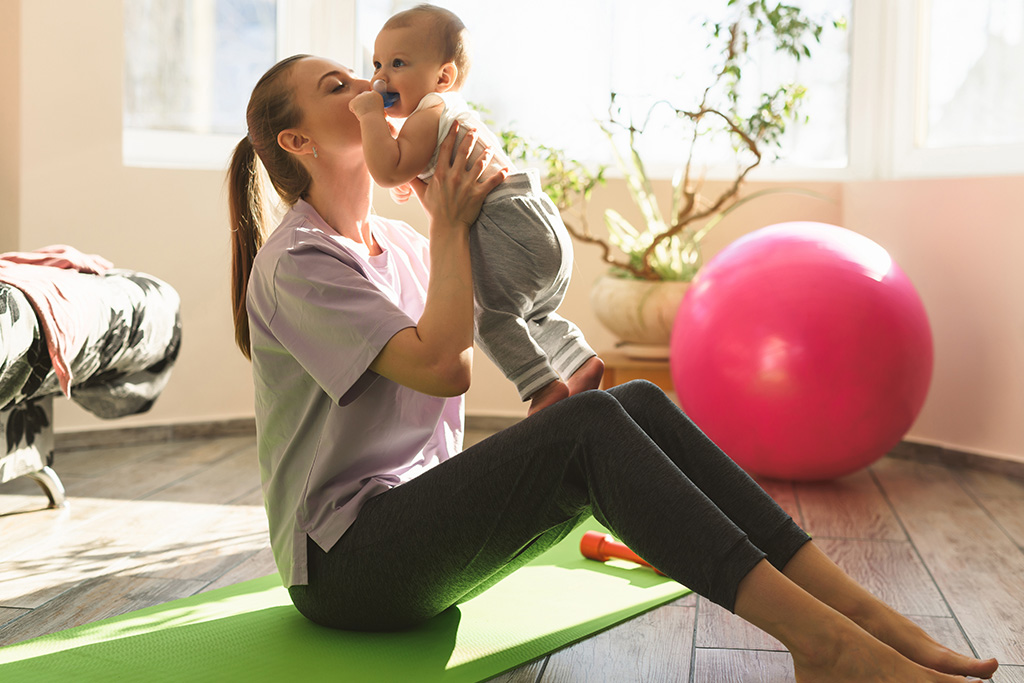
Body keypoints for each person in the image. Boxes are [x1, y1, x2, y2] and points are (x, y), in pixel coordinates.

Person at [226, 53, 998, 683]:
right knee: (591, 425)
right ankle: (824, 646)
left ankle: (861, 616)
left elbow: (504, 308)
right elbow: (441, 365)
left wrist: (485, 202)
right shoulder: (298, 262)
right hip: (346, 570)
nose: (367, 83)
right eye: (337, 86)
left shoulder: (397, 242)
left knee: (635, 404)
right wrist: (450, 225)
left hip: (417, 532)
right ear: (297, 141)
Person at [349, 3, 603, 416]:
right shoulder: (450, 112)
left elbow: (387, 171)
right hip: (536, 222)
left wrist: (369, 116)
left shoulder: (428, 112)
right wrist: (410, 178)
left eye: (398, 63)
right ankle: (579, 361)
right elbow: (413, 168)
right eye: (378, 63)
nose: (380, 77)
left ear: (443, 77)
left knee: (487, 316)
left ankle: (542, 387)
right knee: (534, 312)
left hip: (501, 226)